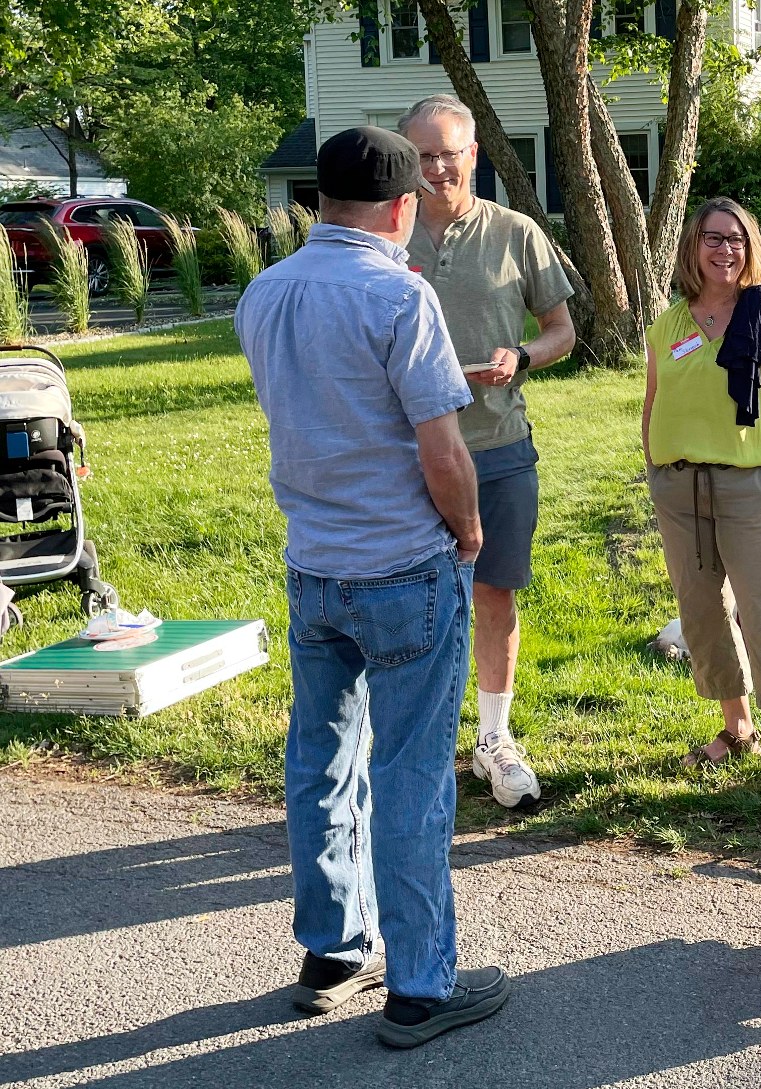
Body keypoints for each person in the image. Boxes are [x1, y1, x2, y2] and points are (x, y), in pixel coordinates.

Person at [235, 126, 511, 1048]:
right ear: (400, 208)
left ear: (319, 203)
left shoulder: (264, 293)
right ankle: (423, 982)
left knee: (320, 760)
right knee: (410, 774)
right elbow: (441, 449)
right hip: (401, 564)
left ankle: (331, 951)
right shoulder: (401, 293)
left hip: (313, 563)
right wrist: (469, 529)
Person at [398, 95, 576, 810]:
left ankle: (494, 739)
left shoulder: (517, 233)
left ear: (474, 154)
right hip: (403, 453)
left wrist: (523, 356)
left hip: (498, 447)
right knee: (409, 602)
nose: (438, 167)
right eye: (424, 155)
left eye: (450, 152)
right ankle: (420, 744)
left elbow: (563, 329)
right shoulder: (386, 236)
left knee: (493, 593)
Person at [642, 197, 761, 764]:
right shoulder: (668, 323)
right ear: (693, 246)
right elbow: (654, 402)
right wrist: (655, 463)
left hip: (751, 487)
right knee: (702, 611)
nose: (726, 250)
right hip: (679, 487)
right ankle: (736, 727)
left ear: (751, 250)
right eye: (714, 239)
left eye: (737, 240)